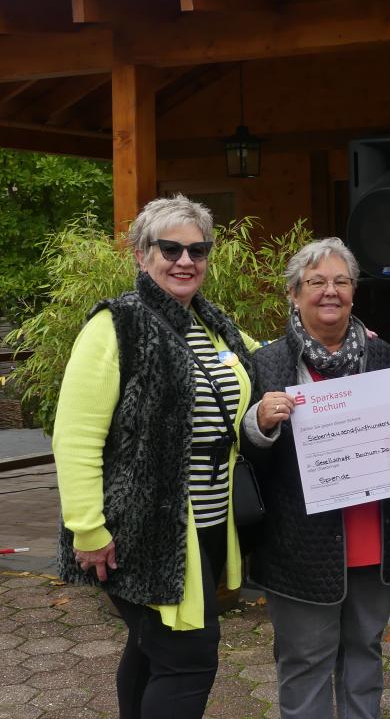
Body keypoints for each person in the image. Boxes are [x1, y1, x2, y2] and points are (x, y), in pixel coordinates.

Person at [52, 195, 258, 719]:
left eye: (198, 249)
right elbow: (74, 437)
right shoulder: (117, 324)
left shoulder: (214, 326)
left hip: (204, 527)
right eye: (170, 248)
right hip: (141, 533)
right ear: (142, 255)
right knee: (188, 659)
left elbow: (267, 363)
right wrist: (87, 529)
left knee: (151, 649)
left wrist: (350, 338)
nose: (185, 260)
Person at [240, 238, 390, 719]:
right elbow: (246, 457)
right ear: (294, 294)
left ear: (354, 292)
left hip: (372, 540)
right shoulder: (267, 363)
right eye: (316, 283)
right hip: (299, 548)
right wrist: (261, 423)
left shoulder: (382, 357)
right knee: (305, 662)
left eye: (341, 281)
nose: (329, 291)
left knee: (364, 657)